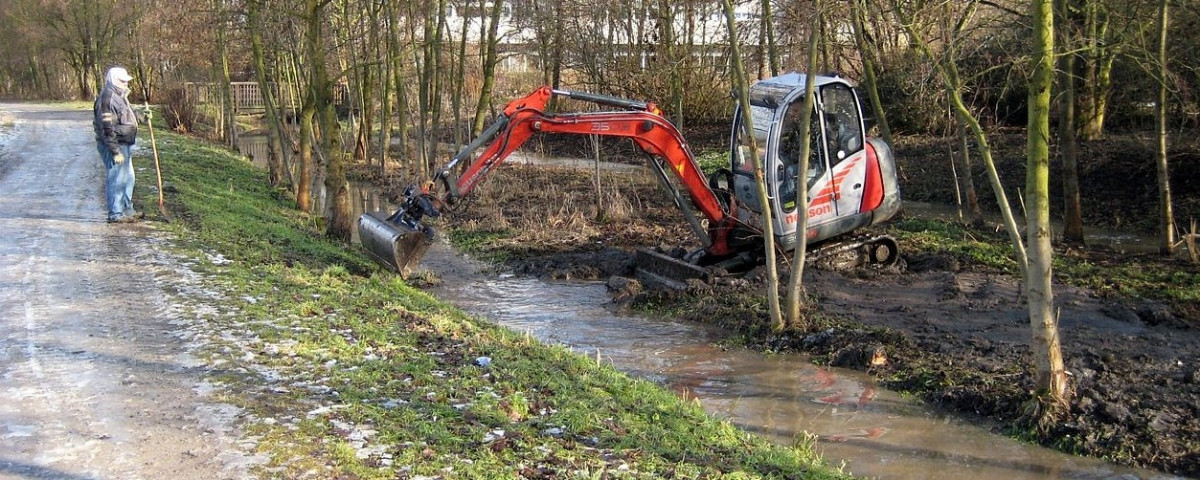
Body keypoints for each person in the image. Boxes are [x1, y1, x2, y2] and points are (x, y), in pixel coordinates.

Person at [93, 66, 142, 223]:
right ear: (114, 80)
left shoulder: (120, 96)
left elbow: (127, 118)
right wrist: (115, 151)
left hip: (125, 143)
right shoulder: (107, 99)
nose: (126, 84)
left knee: (129, 178)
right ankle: (116, 214)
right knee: (117, 179)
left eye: (126, 81)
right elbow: (106, 128)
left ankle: (127, 209)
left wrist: (142, 117)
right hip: (115, 144)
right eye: (122, 81)